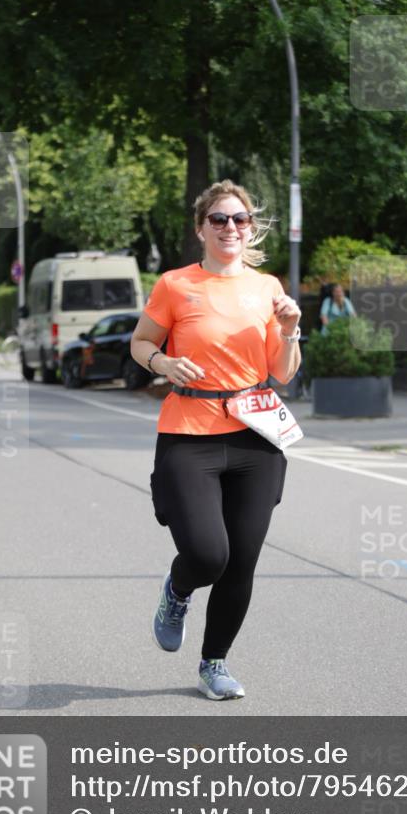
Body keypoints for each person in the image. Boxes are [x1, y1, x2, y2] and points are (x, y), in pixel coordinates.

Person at [131, 180, 301, 700]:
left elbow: (283, 373)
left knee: (242, 560)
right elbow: (140, 343)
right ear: (201, 228)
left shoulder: (267, 287)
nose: (232, 228)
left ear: (251, 227)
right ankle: (178, 590)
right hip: (189, 431)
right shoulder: (175, 284)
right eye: (220, 220)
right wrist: (162, 361)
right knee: (208, 555)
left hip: (256, 434)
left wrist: (292, 330)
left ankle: (214, 664)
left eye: (241, 219)